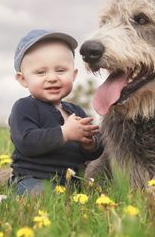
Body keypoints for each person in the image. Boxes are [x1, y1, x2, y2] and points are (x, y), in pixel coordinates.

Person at [8, 29, 103, 195]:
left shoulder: (76, 111)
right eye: (40, 72)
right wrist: (64, 133)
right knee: (39, 195)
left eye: (60, 70)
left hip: (71, 182)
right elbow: (26, 142)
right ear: (23, 79)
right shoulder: (24, 107)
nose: (52, 78)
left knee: (85, 196)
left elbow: (94, 152)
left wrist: (90, 144)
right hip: (33, 179)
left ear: (73, 75)